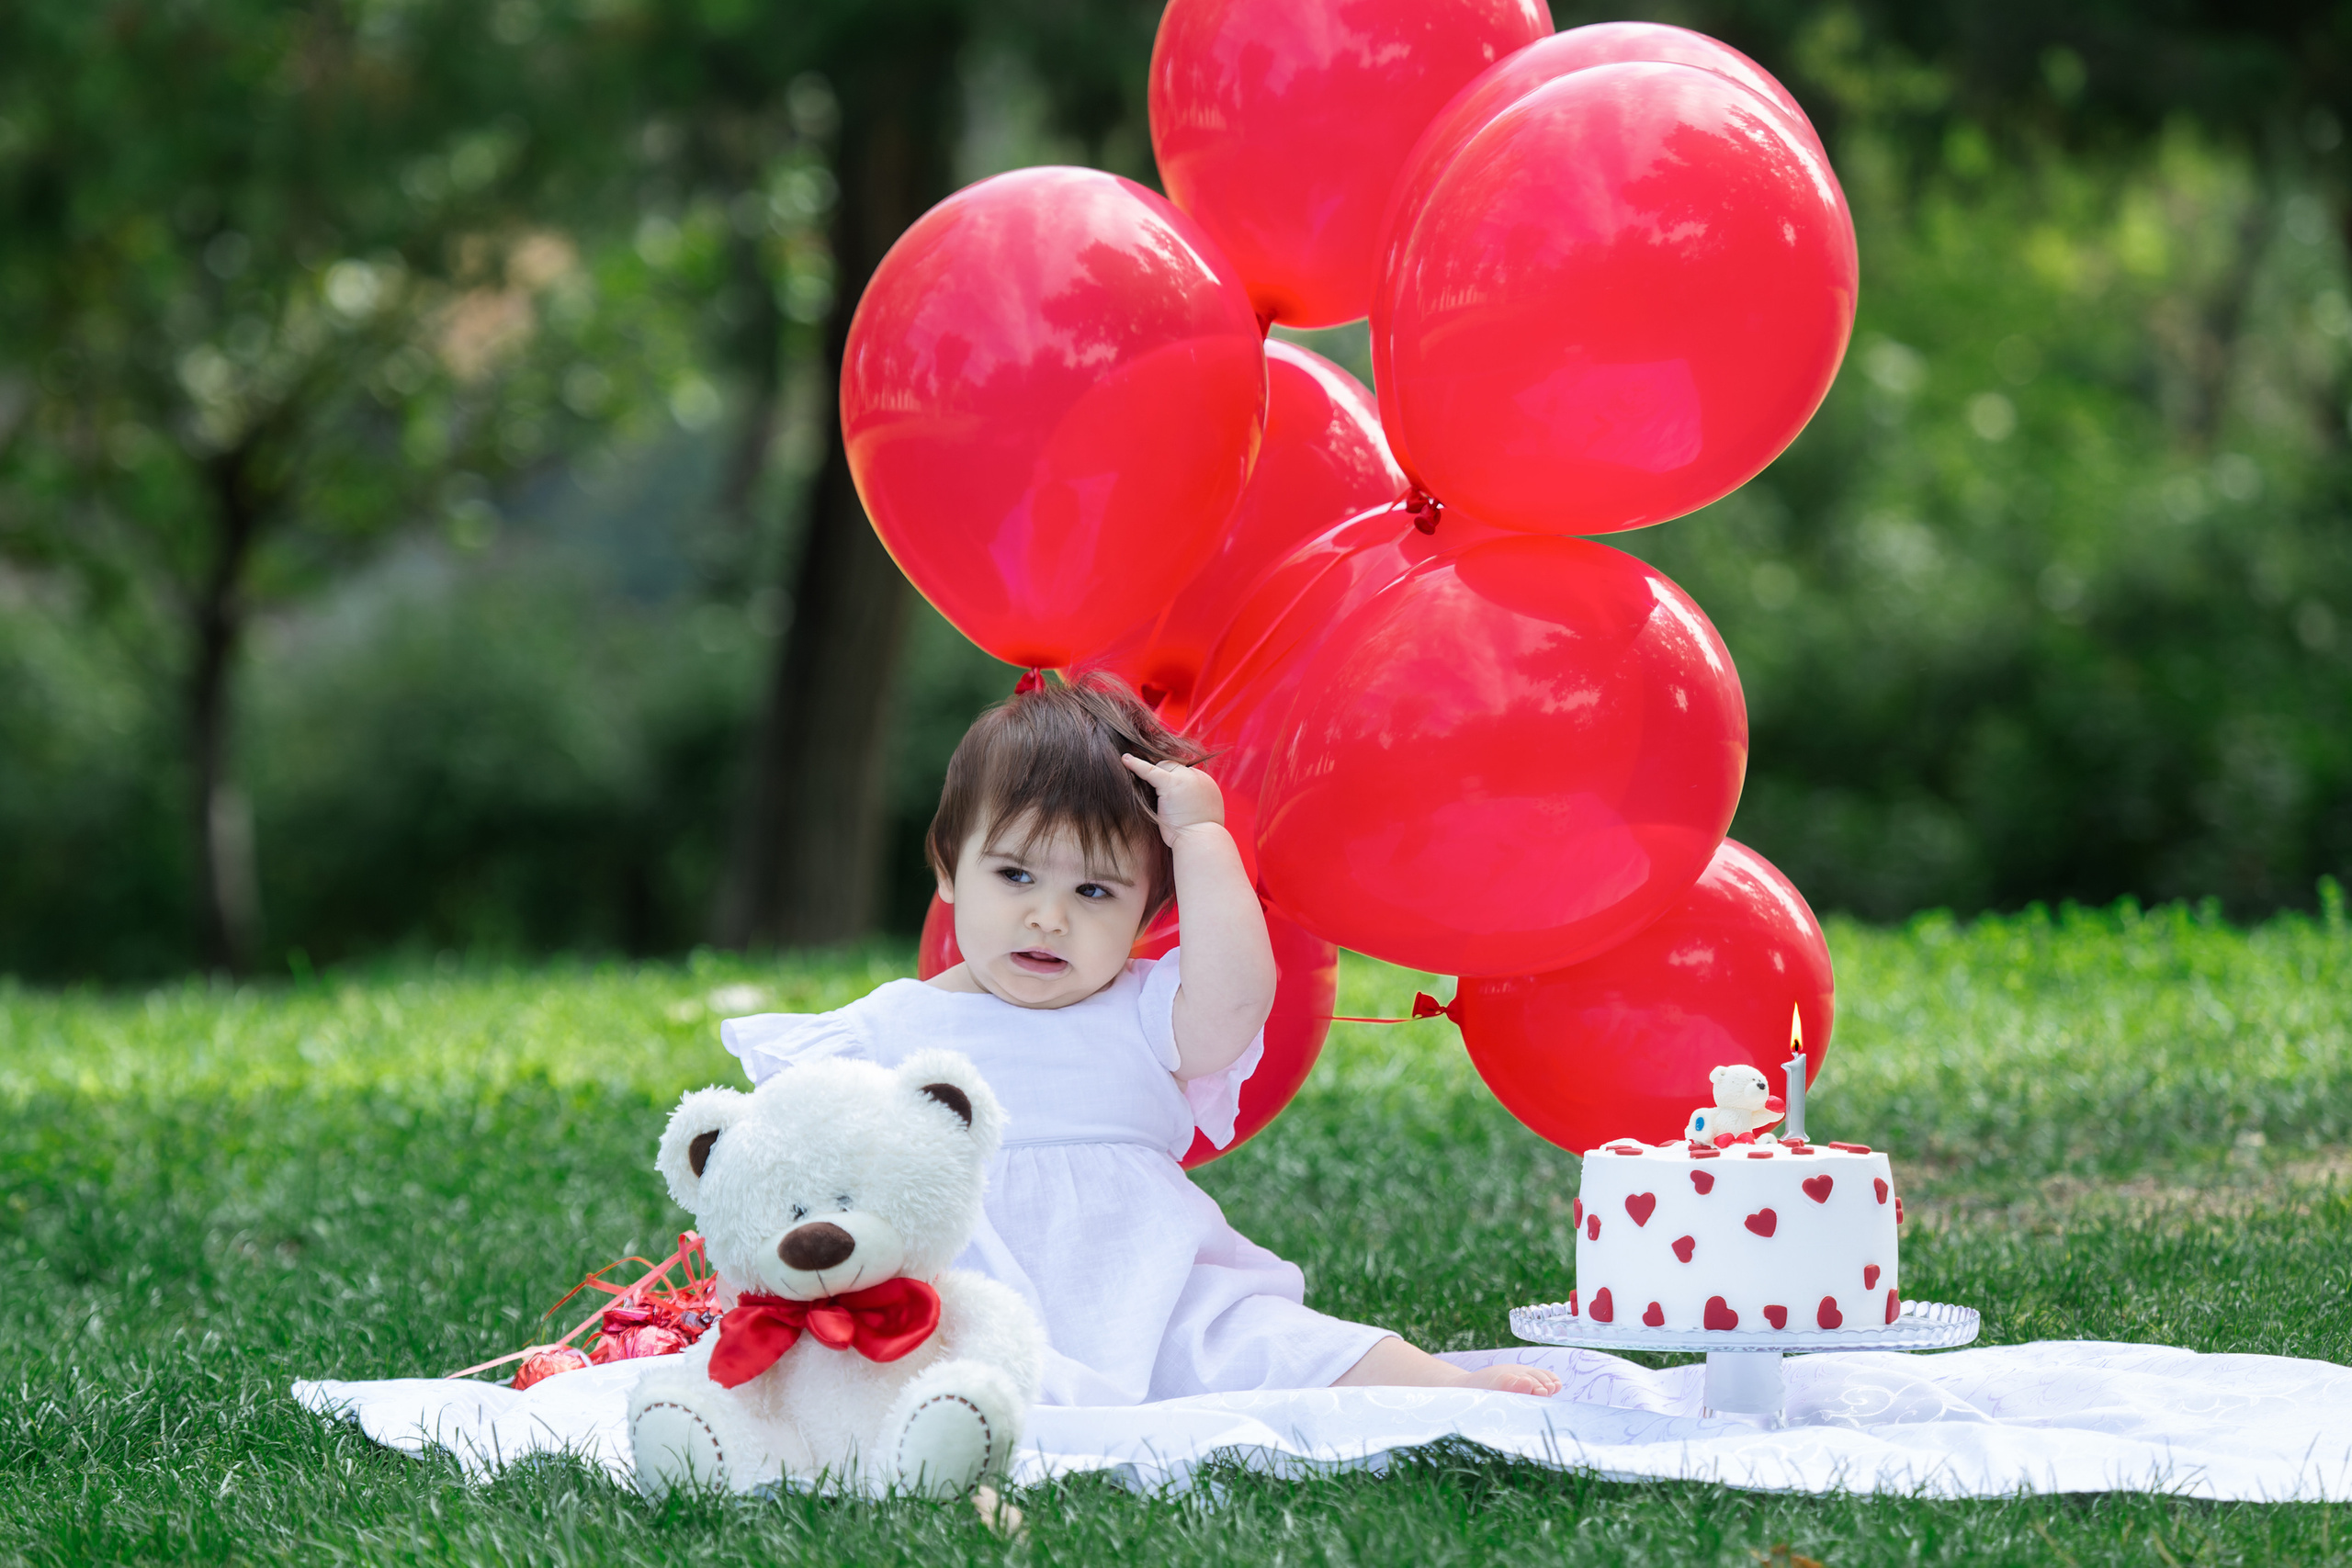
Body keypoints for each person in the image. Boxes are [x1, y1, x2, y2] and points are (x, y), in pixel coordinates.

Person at [720, 671, 1560, 1405]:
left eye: (1094, 890)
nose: (1048, 916)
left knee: (1266, 1337)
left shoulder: (1145, 1009)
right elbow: (796, 1161)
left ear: (1146, 914)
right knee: (882, 1371)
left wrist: (1199, 839)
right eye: (1014, 875)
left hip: (1151, 1289)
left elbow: (1240, 997)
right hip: (971, 1299)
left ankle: (1442, 1386)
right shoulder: (886, 1028)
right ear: (947, 868)